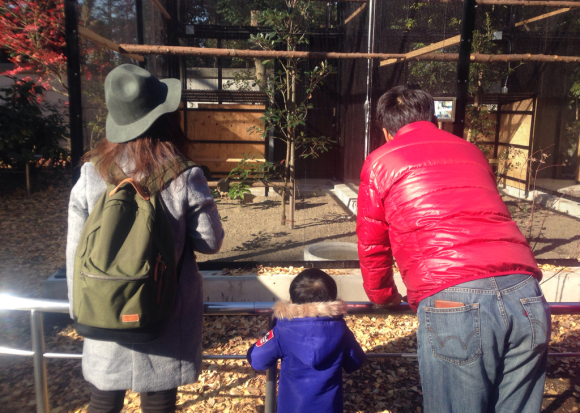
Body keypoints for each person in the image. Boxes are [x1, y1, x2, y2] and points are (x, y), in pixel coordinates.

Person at [356, 85, 551, 412]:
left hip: (452, 296)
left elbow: (372, 242)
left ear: (387, 131)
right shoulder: (470, 150)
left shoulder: (380, 161)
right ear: (434, 119)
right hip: (525, 292)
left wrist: (383, 295)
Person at [66, 64, 224, 413]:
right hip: (164, 309)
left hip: (104, 304)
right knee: (159, 400)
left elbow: (75, 252)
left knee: (103, 400)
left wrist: (82, 307)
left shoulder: (91, 173)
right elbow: (211, 242)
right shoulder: (185, 174)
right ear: (163, 117)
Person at [247, 269, 366, 413]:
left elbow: (257, 360)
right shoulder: (341, 331)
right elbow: (355, 362)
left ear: (291, 302)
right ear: (333, 301)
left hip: (291, 408)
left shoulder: (281, 331)